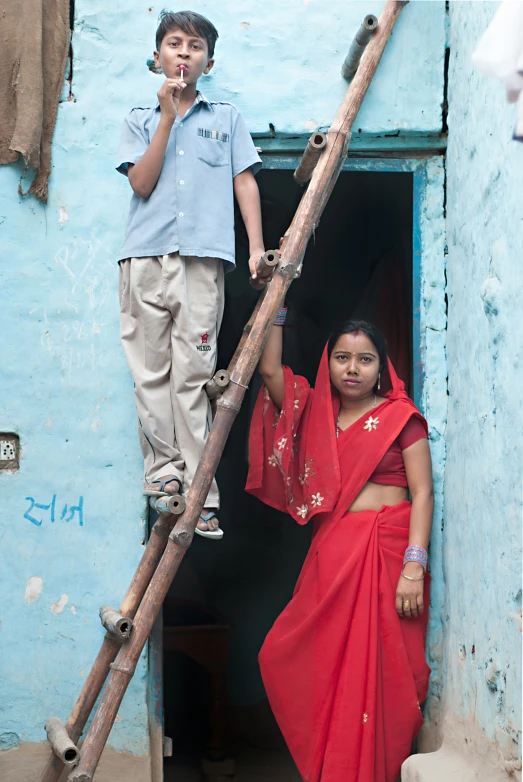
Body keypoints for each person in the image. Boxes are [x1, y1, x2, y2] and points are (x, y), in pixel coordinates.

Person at [246, 315, 434, 782]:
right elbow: (270, 373)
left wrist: (414, 565)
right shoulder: (313, 412)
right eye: (343, 358)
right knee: (286, 655)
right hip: (332, 557)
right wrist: (278, 302)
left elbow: (424, 493)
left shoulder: (401, 417)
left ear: (381, 366)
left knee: (383, 675)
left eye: (365, 359)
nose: (353, 368)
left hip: (388, 555)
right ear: (328, 362)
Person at [116, 11, 266, 539]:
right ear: (157, 56)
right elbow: (141, 183)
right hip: (143, 261)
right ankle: (163, 479)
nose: (184, 53)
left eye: (195, 46)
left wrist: (255, 249)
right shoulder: (138, 117)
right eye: (174, 44)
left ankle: (202, 497)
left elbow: (244, 183)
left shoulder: (226, 118)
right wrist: (165, 117)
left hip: (202, 261)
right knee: (150, 376)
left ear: (208, 60)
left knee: (194, 379)